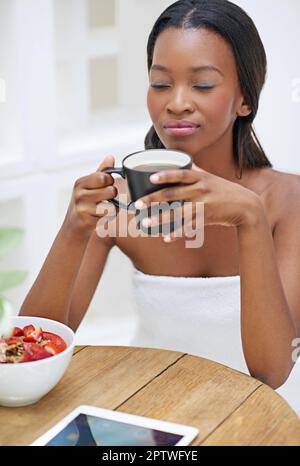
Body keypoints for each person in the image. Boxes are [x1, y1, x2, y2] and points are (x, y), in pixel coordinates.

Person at [20, 0, 300, 395]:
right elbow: (30, 350)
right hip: (155, 414)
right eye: (161, 83)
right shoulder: (119, 202)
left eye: (202, 84)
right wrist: (72, 229)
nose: (177, 102)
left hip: (263, 418)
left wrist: (248, 217)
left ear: (245, 99)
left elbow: (272, 372)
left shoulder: (288, 200)